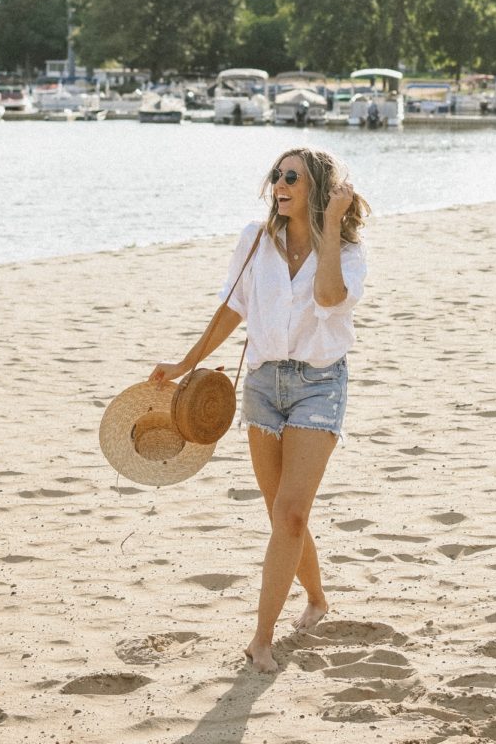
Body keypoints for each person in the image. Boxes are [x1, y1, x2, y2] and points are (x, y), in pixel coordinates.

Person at [150, 146, 369, 673]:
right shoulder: (255, 240)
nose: (279, 183)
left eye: (291, 176)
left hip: (319, 384)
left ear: (317, 186)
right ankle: (316, 597)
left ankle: (262, 639)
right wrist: (185, 363)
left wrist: (332, 228)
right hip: (263, 386)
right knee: (282, 516)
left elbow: (329, 299)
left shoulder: (349, 250)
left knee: (291, 513)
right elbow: (231, 307)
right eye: (276, 174)